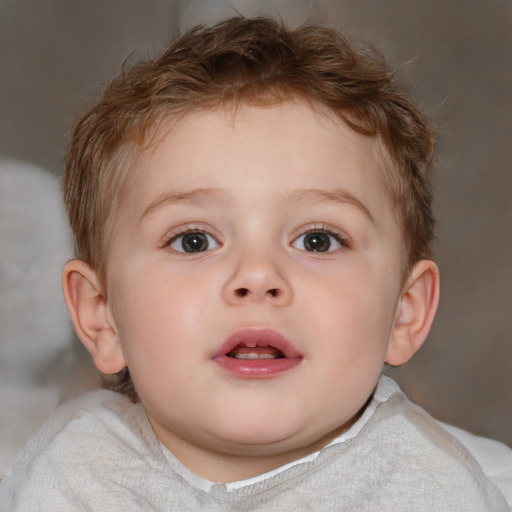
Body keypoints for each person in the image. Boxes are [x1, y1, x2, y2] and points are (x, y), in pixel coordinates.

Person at [0, 16, 510, 511]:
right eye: (194, 241)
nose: (258, 276)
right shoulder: (73, 475)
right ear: (101, 314)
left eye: (317, 241)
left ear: (404, 310)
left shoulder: (436, 491)